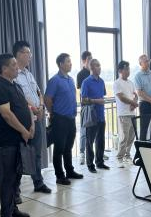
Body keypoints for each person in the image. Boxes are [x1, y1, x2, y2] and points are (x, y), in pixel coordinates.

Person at [0, 54, 32, 217]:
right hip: (8, 142)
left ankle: (13, 209)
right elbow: (7, 115)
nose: (17, 67)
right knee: (7, 180)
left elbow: (26, 107)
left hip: (20, 140)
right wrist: (23, 130)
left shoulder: (16, 86)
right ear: (4, 69)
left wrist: (31, 126)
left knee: (16, 177)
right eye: (14, 65)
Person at [13, 40, 52, 195]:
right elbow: (19, 97)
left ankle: (38, 182)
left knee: (36, 152)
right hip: (24, 121)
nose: (30, 56)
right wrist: (33, 109)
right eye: (27, 53)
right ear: (19, 54)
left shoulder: (28, 73)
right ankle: (15, 190)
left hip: (37, 118)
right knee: (19, 155)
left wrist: (41, 106)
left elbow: (38, 92)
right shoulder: (14, 75)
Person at [45, 53, 84, 185]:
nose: (70, 64)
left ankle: (70, 171)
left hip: (71, 118)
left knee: (68, 147)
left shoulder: (70, 79)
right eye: (68, 61)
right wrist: (52, 113)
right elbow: (47, 99)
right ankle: (59, 175)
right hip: (59, 119)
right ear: (61, 64)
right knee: (59, 148)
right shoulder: (55, 80)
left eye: (70, 61)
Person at [81, 59, 109, 173]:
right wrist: (96, 101)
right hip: (91, 116)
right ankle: (90, 164)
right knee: (89, 142)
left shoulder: (101, 81)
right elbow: (83, 100)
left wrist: (99, 101)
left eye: (100, 65)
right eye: (97, 65)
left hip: (101, 115)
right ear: (91, 68)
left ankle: (100, 162)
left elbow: (103, 96)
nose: (99, 67)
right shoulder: (86, 82)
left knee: (100, 141)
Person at [113, 61, 138, 167]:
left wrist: (134, 102)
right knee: (124, 137)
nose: (128, 71)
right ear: (120, 70)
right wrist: (133, 103)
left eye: (128, 69)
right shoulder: (117, 83)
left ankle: (127, 156)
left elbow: (135, 95)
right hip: (123, 114)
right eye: (126, 69)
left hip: (132, 113)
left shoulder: (130, 83)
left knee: (132, 136)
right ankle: (119, 158)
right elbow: (121, 97)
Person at [134, 54, 151, 142]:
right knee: (144, 128)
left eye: (148, 61)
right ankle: (142, 148)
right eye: (145, 61)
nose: (148, 62)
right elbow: (139, 92)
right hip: (145, 104)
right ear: (140, 63)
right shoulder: (138, 76)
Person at [76, 51, 92, 165]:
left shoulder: (93, 72)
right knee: (84, 130)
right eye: (89, 59)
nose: (91, 61)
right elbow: (81, 92)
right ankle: (82, 153)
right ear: (84, 61)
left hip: (95, 106)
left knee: (94, 131)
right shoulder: (81, 74)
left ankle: (95, 152)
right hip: (85, 106)